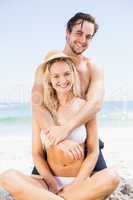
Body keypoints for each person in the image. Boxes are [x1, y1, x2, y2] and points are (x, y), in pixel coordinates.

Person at [0, 53, 120, 200]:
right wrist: (52, 183)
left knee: (113, 176)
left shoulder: (84, 107)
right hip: (47, 184)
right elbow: (37, 154)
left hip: (78, 183)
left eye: (66, 74)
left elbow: (93, 152)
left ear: (73, 75)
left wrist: (77, 183)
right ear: (49, 80)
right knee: (7, 177)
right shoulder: (42, 110)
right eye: (56, 76)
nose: (62, 80)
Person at [32, 12, 107, 172]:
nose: (82, 40)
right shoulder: (45, 67)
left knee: (104, 188)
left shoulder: (93, 68)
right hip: (53, 144)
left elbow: (95, 103)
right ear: (67, 31)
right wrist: (58, 139)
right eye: (79, 33)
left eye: (88, 36)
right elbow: (36, 104)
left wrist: (66, 129)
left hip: (85, 142)